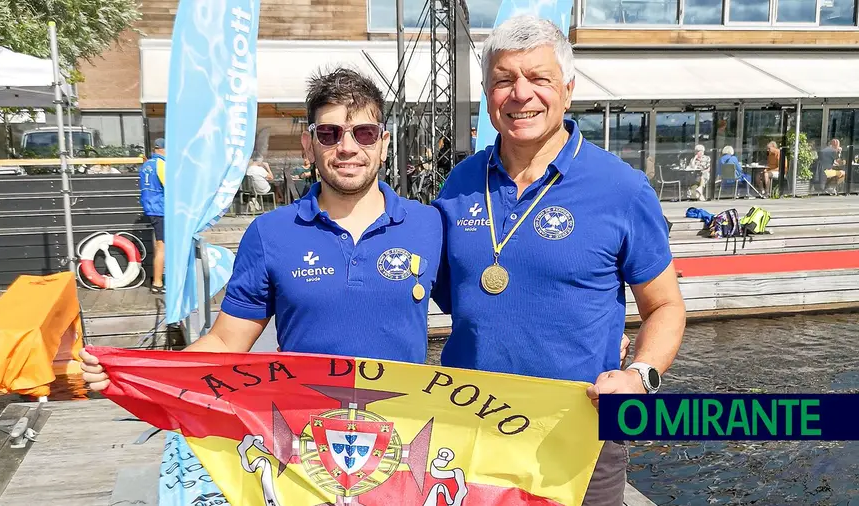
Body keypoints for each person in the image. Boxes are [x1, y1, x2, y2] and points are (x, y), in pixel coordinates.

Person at [431, 15, 685, 505]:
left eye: (539, 79)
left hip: (578, 435)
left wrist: (640, 375)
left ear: (567, 90)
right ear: (488, 94)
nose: (520, 94)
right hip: (470, 428)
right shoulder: (460, 182)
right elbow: (447, 291)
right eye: (504, 80)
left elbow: (666, 306)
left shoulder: (622, 189)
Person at [82, 67, 445, 387]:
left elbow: (478, 314)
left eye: (364, 133)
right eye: (330, 134)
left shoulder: (427, 225)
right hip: (302, 446)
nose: (347, 147)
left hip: (399, 445)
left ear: (383, 144)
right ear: (309, 146)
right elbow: (226, 342)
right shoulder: (270, 234)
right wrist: (136, 369)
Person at [138, 138, 166, 294]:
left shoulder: (146, 165)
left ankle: (158, 279)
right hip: (161, 209)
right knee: (162, 247)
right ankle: (157, 283)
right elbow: (170, 186)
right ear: (162, 149)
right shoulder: (161, 164)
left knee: (159, 246)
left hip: (151, 208)